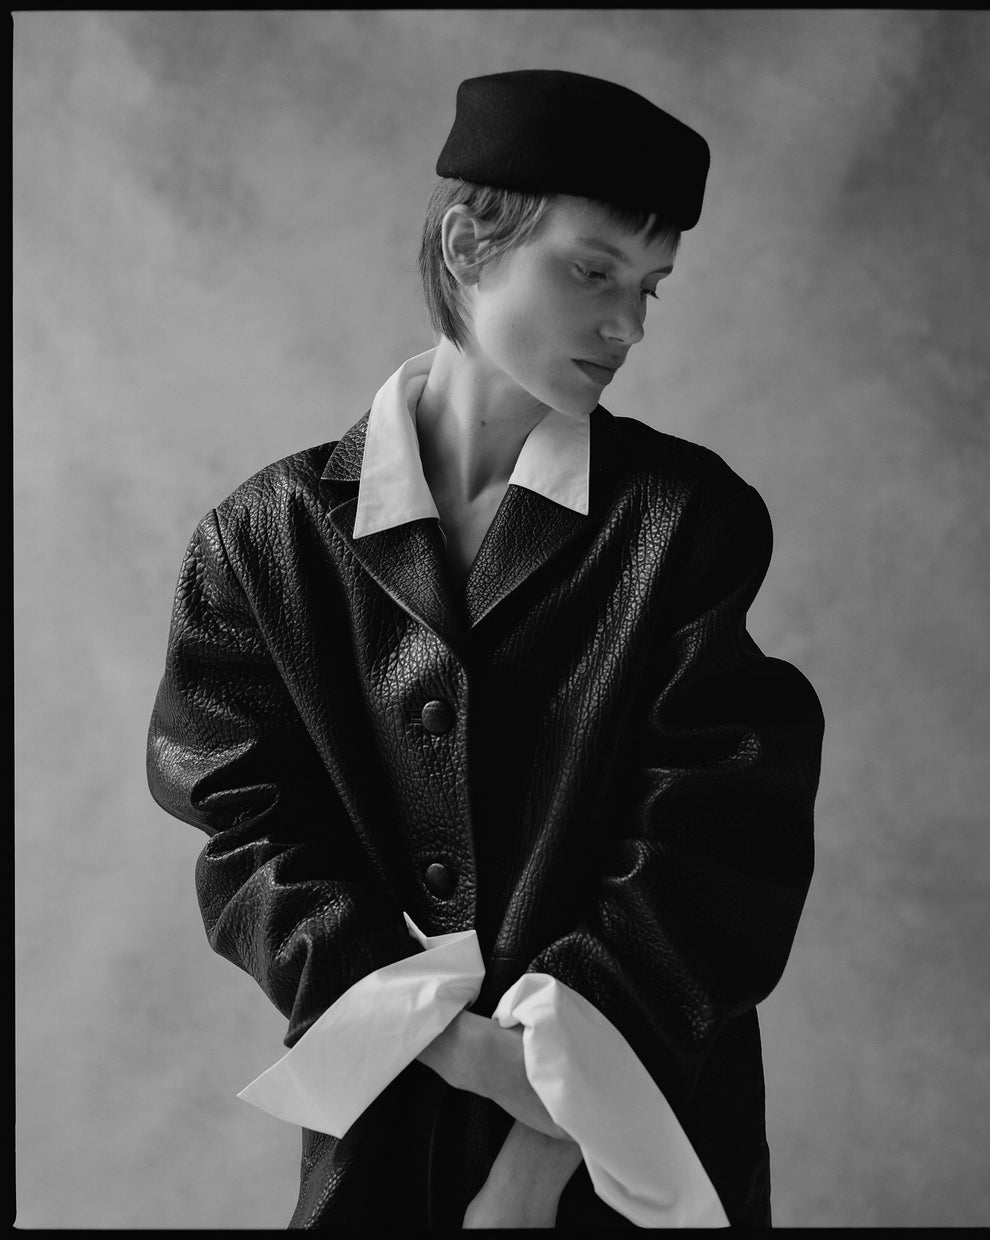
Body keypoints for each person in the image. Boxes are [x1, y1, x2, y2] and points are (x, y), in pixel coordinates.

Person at [147, 69, 824, 1229]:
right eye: (592, 271)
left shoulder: (688, 522)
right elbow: (249, 828)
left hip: (635, 1144)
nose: (627, 325)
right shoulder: (262, 539)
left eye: (650, 286)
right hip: (387, 1123)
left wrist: (534, 1158)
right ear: (468, 244)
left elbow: (714, 846)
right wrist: (454, 1045)